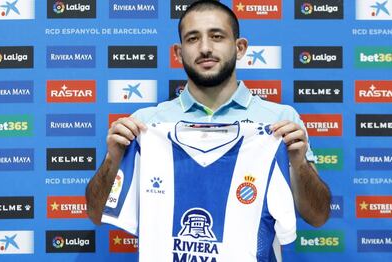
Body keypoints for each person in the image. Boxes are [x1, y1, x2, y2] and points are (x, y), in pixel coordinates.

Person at [86, 0, 330, 242]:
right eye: (192, 38)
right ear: (179, 53)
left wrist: (299, 164)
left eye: (217, 36)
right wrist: (112, 159)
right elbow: (96, 215)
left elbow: (318, 217)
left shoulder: (279, 121)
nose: (204, 48)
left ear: (240, 48)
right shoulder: (146, 125)